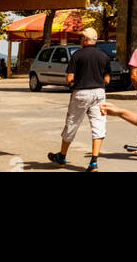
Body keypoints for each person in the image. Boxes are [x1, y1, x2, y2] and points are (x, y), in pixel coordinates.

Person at [47, 27, 109, 172]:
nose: (79, 40)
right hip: (99, 93)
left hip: (81, 92)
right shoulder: (103, 56)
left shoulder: (77, 55)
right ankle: (93, 161)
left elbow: (70, 78)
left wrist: (73, 80)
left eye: (81, 38)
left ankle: (62, 156)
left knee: (72, 123)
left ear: (85, 40)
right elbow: (106, 79)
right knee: (98, 126)